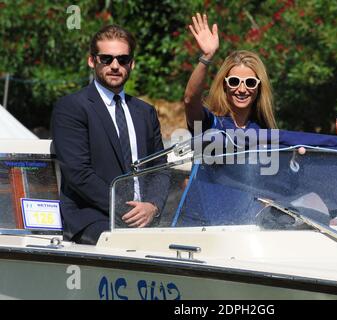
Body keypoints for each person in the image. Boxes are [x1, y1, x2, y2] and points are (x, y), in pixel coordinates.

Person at [51, 25, 169, 245]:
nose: (115, 66)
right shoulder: (71, 107)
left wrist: (153, 206)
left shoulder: (145, 112)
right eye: (106, 59)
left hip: (144, 220)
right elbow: (78, 173)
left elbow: (160, 168)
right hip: (92, 219)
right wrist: (128, 211)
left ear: (131, 64)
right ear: (92, 61)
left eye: (122, 60)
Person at [184, 13, 277, 133]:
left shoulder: (265, 130)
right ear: (224, 85)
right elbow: (190, 99)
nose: (242, 89)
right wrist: (207, 57)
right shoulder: (209, 123)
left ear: (259, 86)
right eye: (234, 81)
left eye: (250, 82)